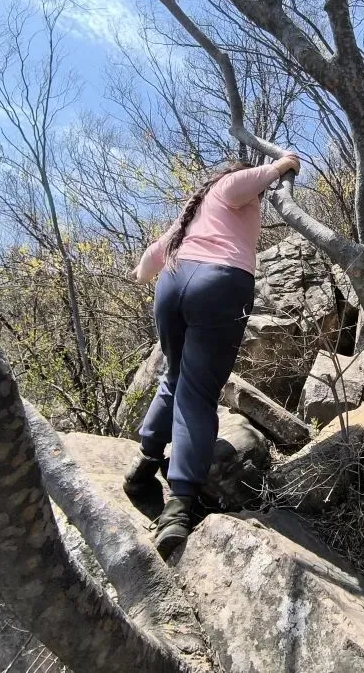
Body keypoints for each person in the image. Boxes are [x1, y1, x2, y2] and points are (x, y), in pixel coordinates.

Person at [123, 151, 301, 556]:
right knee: (198, 393)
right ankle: (179, 505)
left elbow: (152, 258)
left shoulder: (194, 210)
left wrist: (143, 274)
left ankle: (144, 465)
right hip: (219, 285)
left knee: (174, 376)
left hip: (172, 282)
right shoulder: (231, 188)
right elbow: (240, 185)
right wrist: (281, 166)